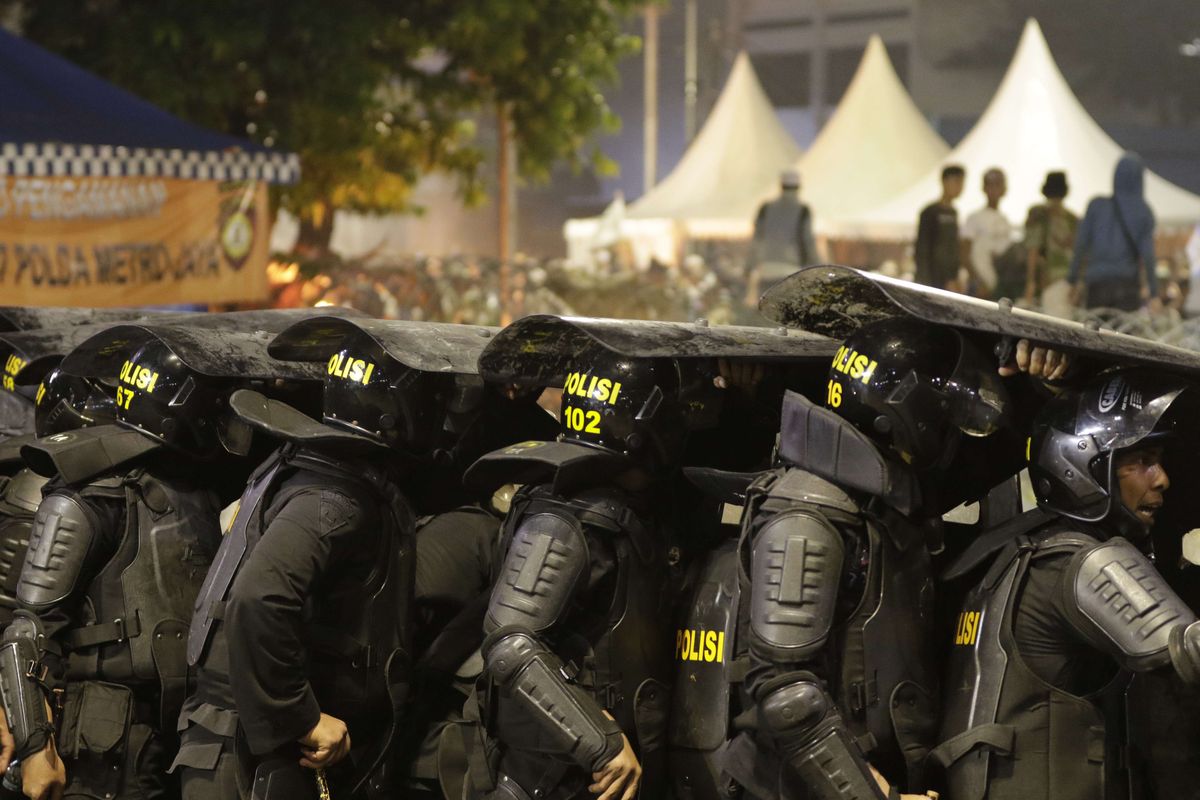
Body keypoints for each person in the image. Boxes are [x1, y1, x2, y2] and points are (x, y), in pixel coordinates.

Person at [669, 316, 1046, 800]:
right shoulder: (809, 515)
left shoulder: (876, 504)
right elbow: (786, 693)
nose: (949, 434)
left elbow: (987, 455)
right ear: (909, 417)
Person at [175, 317, 494, 800]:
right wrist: (298, 717)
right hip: (255, 757)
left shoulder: (316, 471)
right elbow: (258, 597)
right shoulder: (335, 496)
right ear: (398, 407)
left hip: (245, 747)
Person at [0, 336, 259, 800]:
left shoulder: (192, 490)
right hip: (97, 748)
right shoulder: (93, 494)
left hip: (174, 733)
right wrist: (36, 748)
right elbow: (29, 632)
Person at [461, 345, 722, 800]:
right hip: (551, 778)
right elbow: (511, 645)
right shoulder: (567, 516)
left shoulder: (624, 510)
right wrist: (598, 743)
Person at [933, 369, 1200, 800]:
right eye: (1141, 461)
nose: (1162, 478)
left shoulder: (1019, 550)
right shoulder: (1078, 560)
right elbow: (1188, 650)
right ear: (1084, 467)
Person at [1068, 153, 1158, 312]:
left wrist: (1072, 280)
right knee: (1123, 332)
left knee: (1095, 331)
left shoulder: (1096, 206)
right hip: (1127, 286)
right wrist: (1154, 293)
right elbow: (1148, 256)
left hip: (1097, 285)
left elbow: (1080, 245)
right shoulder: (1143, 212)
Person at [747, 169, 818, 303]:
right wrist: (816, 268)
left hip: (766, 271)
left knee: (765, 314)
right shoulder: (802, 210)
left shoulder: (766, 208)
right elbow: (808, 242)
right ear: (798, 187)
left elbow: (756, 239)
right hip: (791, 272)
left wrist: (749, 266)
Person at [1023, 171, 1079, 318]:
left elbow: (1033, 249)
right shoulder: (1072, 219)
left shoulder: (1038, 214)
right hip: (1069, 281)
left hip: (1048, 279)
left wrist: (1030, 282)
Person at [961, 167, 1017, 299]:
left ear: (1004, 189)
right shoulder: (974, 217)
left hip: (999, 289)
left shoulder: (1005, 221)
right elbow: (963, 252)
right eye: (990, 185)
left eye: (998, 184)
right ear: (984, 188)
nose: (994, 189)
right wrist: (977, 281)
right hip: (979, 288)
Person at [914, 165, 966, 292]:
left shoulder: (953, 212)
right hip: (932, 279)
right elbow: (922, 248)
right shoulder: (930, 212)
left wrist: (954, 276)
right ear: (944, 181)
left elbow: (953, 248)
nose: (959, 187)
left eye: (961, 182)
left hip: (949, 280)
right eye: (956, 181)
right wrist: (925, 280)